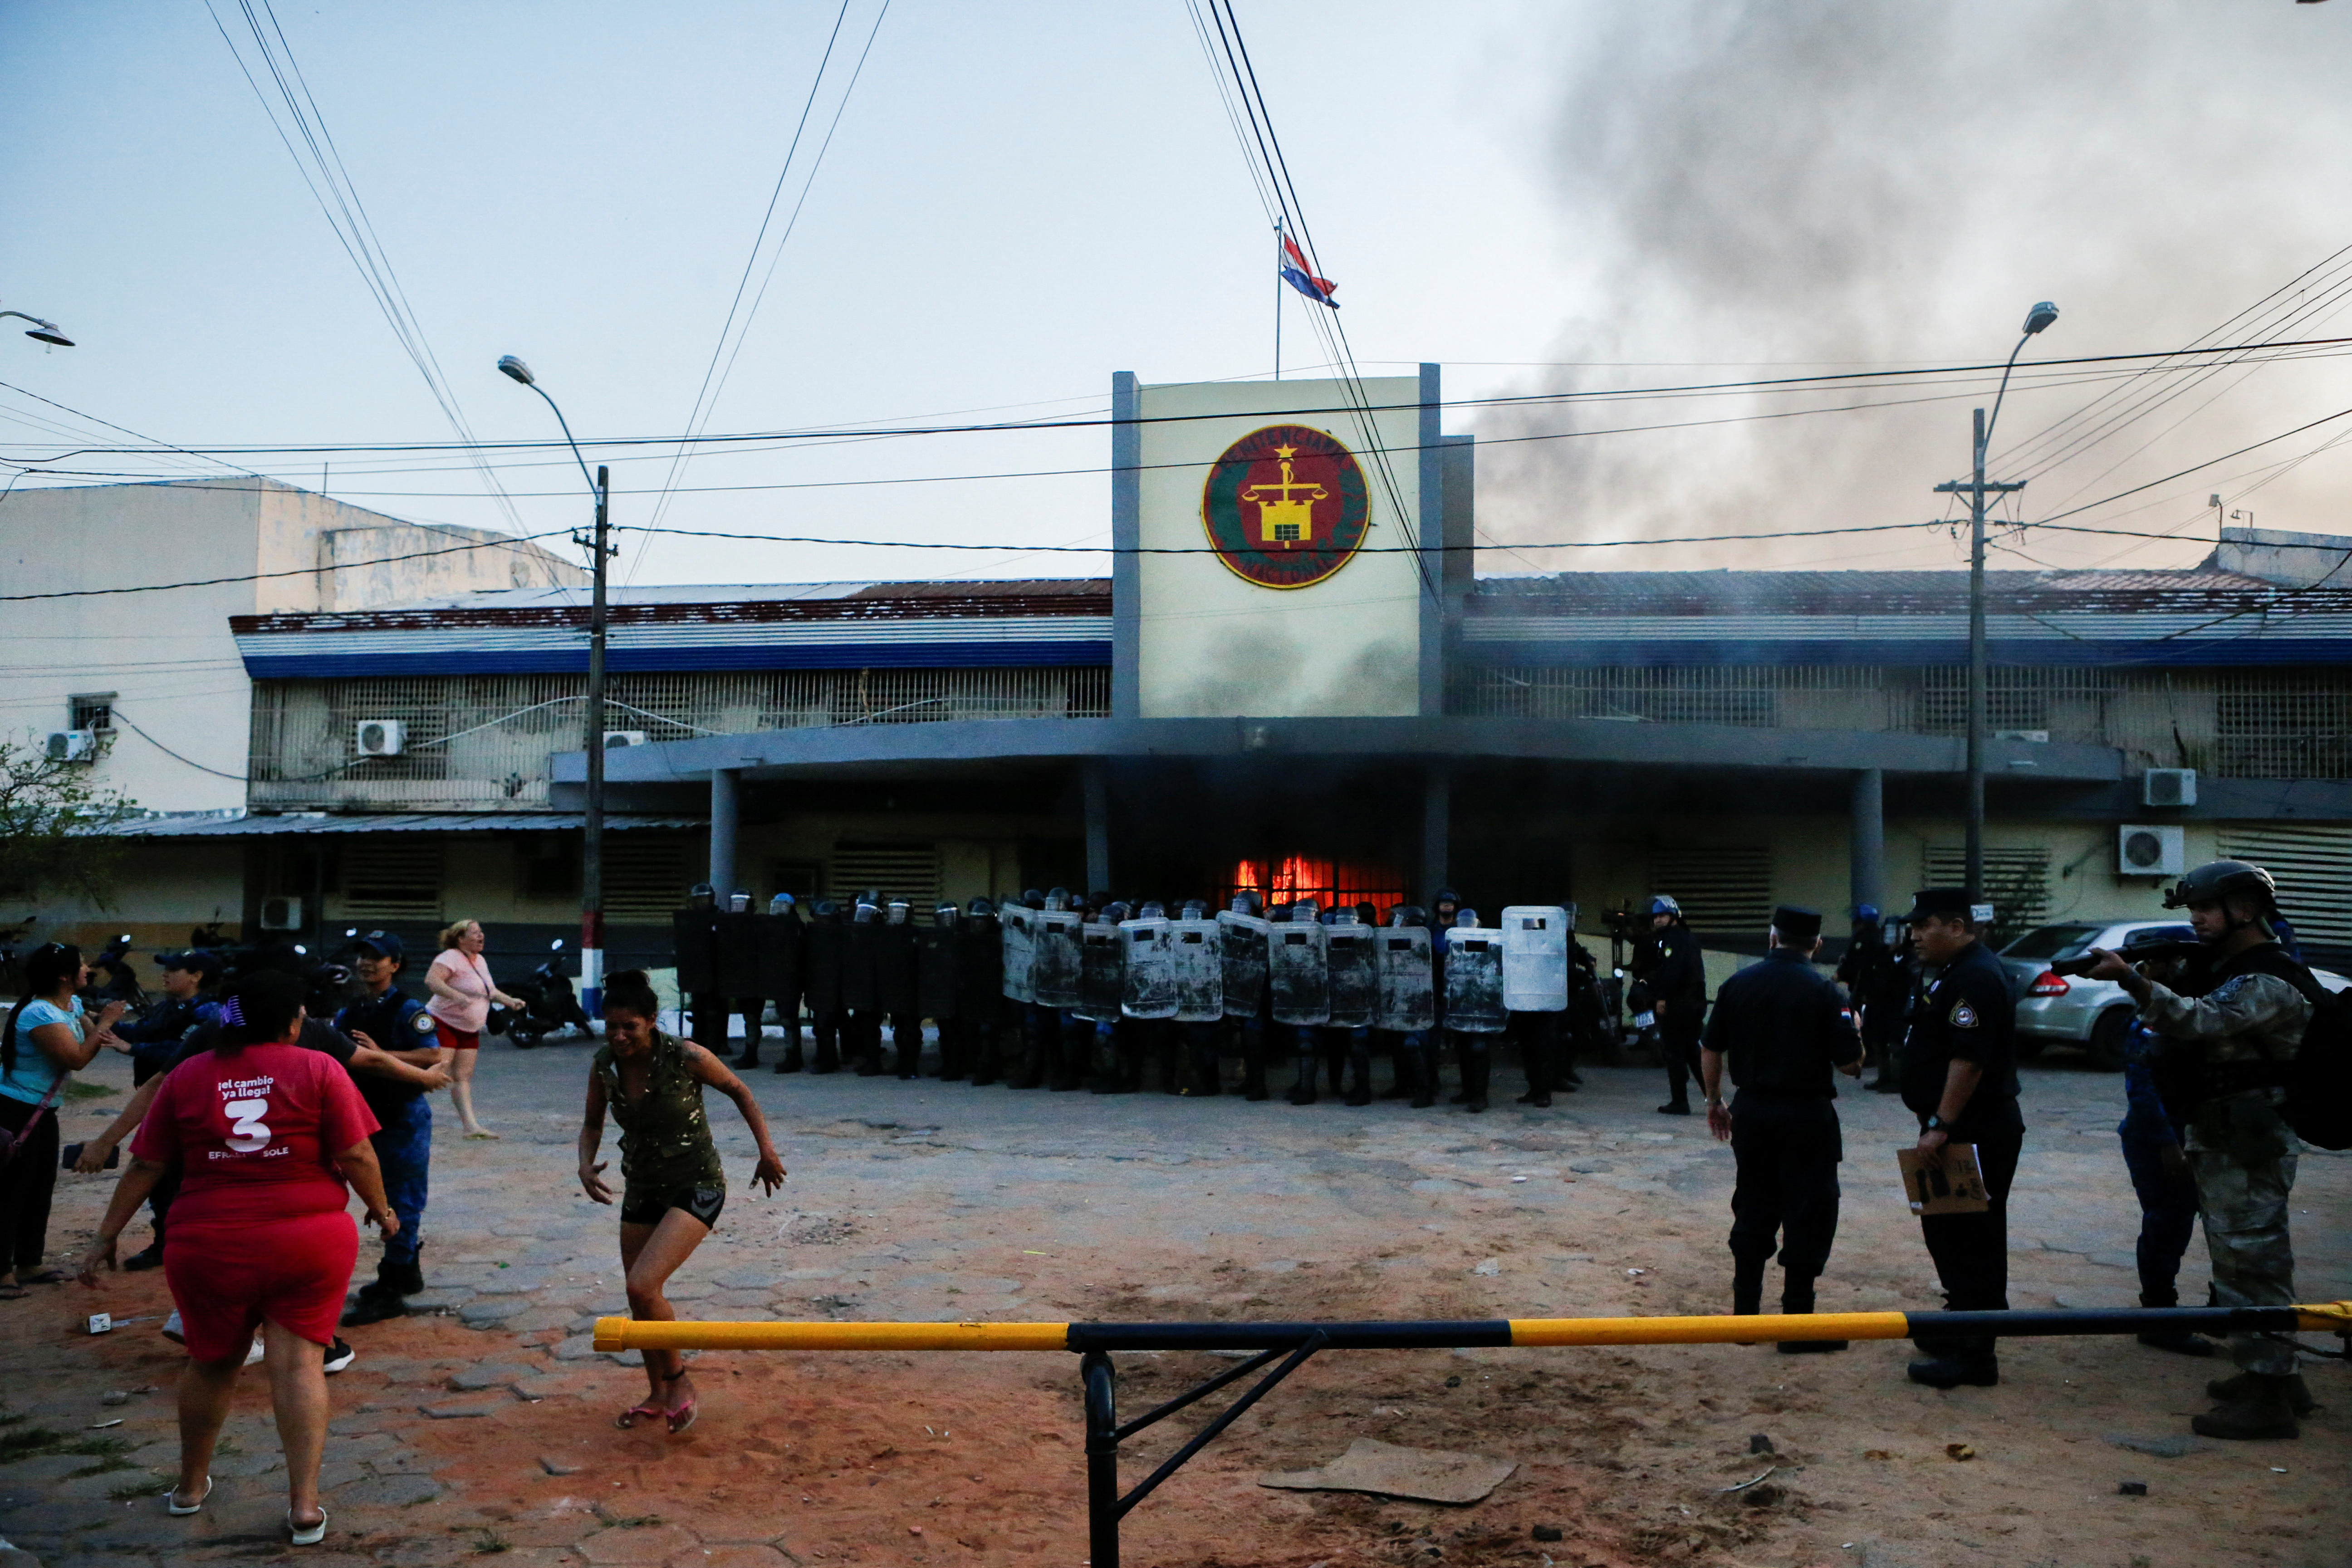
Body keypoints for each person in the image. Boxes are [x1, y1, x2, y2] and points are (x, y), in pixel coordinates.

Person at [77, 970, 397, 1547]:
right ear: (292, 1021)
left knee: (211, 1362)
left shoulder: (187, 1077)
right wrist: (383, 1209)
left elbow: (146, 1165)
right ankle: (303, 1506)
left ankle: (190, 1487)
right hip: (309, 1240)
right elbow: (355, 1152)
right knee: (299, 1364)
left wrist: (105, 1236)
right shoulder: (319, 1068)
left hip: (208, 1243)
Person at [2084, 859, 2319, 1440]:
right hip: (2224, 1135)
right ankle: (2274, 1375)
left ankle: (2270, 1396)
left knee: (2253, 1261)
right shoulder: (2231, 968)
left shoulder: (2269, 976)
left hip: (2248, 1141)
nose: (2197, 921)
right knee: (2241, 1260)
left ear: (2244, 909)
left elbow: (2201, 1022)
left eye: (2207, 910)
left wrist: (2135, 983)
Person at [577, 970, 786, 1436]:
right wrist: (586, 1164)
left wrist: (766, 1152)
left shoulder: (686, 1055)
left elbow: (740, 1091)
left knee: (643, 1285)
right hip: (642, 1186)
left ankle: (679, 1382)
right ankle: (657, 1394)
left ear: (651, 1021)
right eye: (611, 1026)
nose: (619, 1036)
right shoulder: (603, 1064)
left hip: (698, 1183)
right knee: (639, 1295)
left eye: (629, 1026)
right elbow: (592, 1123)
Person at [1701, 905, 1863, 1349]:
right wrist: (1859, 1032)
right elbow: (1851, 1064)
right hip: (1807, 1115)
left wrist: (1715, 1101)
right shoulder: (1827, 992)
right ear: (1816, 945)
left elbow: (1711, 1048)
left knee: (1753, 1205)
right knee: (1809, 1212)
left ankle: (1745, 1320)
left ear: (1772, 938)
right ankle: (1797, 1326)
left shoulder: (1737, 985)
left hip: (1752, 1112)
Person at [1895, 888, 2024, 1390]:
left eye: (1923, 926)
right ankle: (1961, 1327)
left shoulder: (1974, 974)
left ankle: (1975, 1355)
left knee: (1973, 1238)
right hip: (1959, 1124)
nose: (1914, 936)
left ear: (1955, 926)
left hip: (1972, 1127)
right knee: (1948, 1231)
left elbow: (1968, 1059)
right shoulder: (1960, 970)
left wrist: (1941, 1125)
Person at [333, 932, 454, 1327]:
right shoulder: (351, 1010)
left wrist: (381, 1055)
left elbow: (432, 1054)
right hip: (362, 1116)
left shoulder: (408, 1008)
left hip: (402, 1117)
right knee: (377, 1195)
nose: (366, 963)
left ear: (395, 966)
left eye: (377, 958)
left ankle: (393, 1281)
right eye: (362, 957)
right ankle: (405, 1271)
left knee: (402, 1198)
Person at [2104, 931, 2213, 1359]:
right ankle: (2160, 1317)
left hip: (2191, 1133)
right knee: (2168, 1224)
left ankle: (2221, 1312)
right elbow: (2144, 1090)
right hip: (2160, 1138)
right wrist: (2171, 1145)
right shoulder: (2152, 1019)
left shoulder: (2192, 1008)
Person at [2, 943, 127, 1297]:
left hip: (43, 1109)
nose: (89, 968)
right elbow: (75, 1059)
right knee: (12, 1191)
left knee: (39, 1187)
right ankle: (2, 1272)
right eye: (82, 964)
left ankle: (29, 1262)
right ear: (64, 976)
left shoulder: (69, 1005)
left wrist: (100, 1027)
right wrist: (105, 1022)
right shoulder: (39, 1014)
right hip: (17, 1108)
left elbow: (92, 1038)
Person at [102, 951, 223, 1271]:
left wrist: (132, 1049)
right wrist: (103, 1025)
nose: (166, 974)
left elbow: (183, 1052)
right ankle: (166, 1243)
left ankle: (192, 1245)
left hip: (191, 1103)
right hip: (160, 1101)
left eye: (174, 969)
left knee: (184, 1175)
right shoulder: (170, 1006)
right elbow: (141, 1031)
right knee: (163, 1177)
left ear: (196, 976)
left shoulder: (210, 1011)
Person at [425, 920, 524, 1138]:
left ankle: (471, 1127)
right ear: (461, 939)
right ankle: (395, 1104)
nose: (481, 937)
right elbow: (432, 981)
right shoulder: (450, 957)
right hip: (443, 1021)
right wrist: (455, 996)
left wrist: (510, 1001)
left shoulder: (479, 960)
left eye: (482, 933)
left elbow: (490, 991)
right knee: (438, 1069)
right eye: (475, 933)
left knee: (463, 1076)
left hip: (469, 1028)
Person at [1647, 895, 1709, 1115]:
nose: (1658, 921)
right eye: (1656, 917)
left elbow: (1672, 972)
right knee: (1693, 1052)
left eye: (1662, 916)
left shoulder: (1672, 940)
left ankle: (1680, 1101)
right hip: (1695, 1005)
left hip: (1679, 1005)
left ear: (1673, 917)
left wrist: (1661, 998)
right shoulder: (1689, 938)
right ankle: (1713, 1098)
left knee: (1674, 1053)